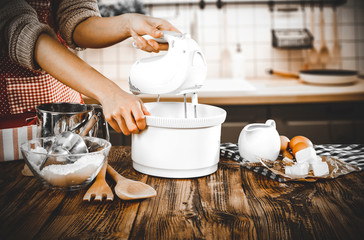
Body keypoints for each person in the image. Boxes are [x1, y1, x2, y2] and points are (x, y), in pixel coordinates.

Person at [0, 0, 180, 140]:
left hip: (63, 101)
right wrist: (109, 93)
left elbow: (76, 16)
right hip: (11, 119)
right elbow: (18, 28)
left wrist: (128, 23)